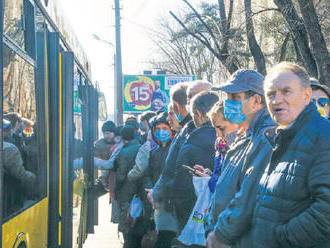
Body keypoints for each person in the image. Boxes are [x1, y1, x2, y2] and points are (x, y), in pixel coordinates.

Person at [241, 62, 330, 248]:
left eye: (286, 91)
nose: (276, 100)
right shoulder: (282, 139)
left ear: (306, 96)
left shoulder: (323, 137)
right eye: (271, 94)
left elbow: (326, 212)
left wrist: (280, 238)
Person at [205, 69, 275, 248]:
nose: (228, 103)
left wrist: (222, 233)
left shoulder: (265, 139)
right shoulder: (245, 135)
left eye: (234, 98)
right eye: (227, 96)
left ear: (257, 101)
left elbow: (249, 198)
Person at [148, 81, 212, 217]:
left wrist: (159, 194)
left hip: (193, 207)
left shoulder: (202, 132)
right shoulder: (187, 130)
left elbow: (176, 171)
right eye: (191, 98)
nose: (195, 102)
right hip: (184, 206)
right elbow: (171, 169)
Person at [172, 91, 219, 232]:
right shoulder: (232, 139)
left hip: (194, 215)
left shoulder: (190, 142)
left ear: (198, 113)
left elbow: (181, 186)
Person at [143, 112, 177, 248]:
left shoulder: (176, 150)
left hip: (170, 205)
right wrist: (150, 190)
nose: (161, 132)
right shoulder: (154, 151)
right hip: (153, 204)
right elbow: (146, 175)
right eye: (158, 129)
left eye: (165, 129)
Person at [113, 125, 141, 248]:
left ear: (123, 138)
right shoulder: (142, 147)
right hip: (140, 193)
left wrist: (115, 189)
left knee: (127, 224)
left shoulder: (124, 152)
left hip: (126, 193)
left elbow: (120, 176)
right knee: (138, 221)